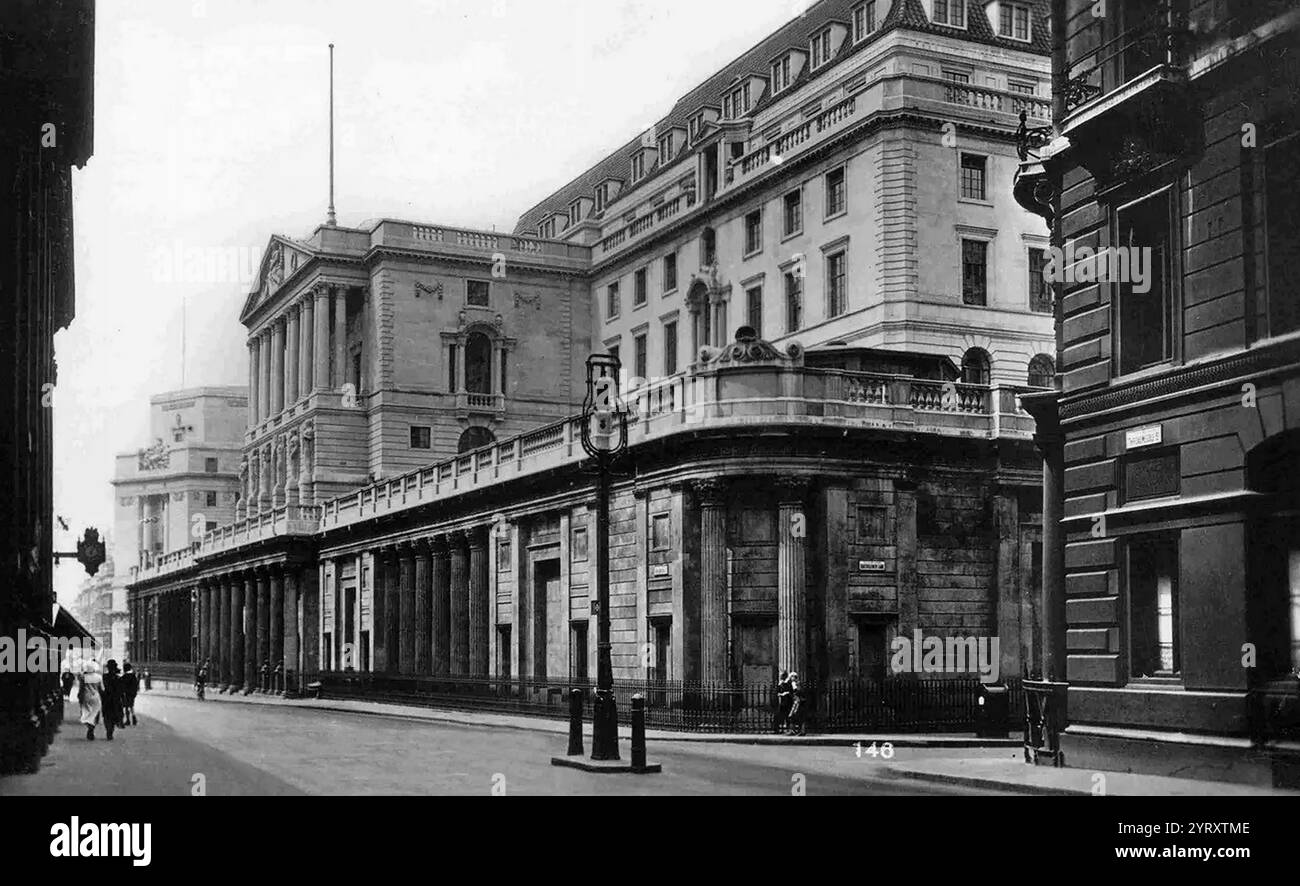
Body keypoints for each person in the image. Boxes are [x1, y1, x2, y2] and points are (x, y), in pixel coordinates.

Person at [78, 659, 103, 740]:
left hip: (86, 696)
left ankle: (89, 727)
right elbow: (102, 689)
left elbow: (81, 688)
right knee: (95, 713)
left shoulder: (83, 677)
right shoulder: (99, 677)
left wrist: (80, 696)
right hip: (96, 696)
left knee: (86, 713)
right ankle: (92, 728)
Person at [100, 660, 124, 740]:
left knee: (107, 716)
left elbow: (103, 688)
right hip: (115, 700)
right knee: (114, 716)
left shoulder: (104, 677)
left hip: (107, 699)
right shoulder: (118, 678)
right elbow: (121, 690)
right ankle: (111, 731)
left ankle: (108, 730)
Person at [786, 671, 806, 736]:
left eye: (793, 677)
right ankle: (794, 730)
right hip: (796, 701)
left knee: (794, 716)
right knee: (794, 716)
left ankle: (799, 731)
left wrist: (794, 686)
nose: (792, 678)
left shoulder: (796, 683)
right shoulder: (795, 683)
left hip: (798, 701)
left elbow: (797, 691)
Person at [774, 670, 793, 734]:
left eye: (782, 676)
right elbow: (777, 692)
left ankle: (788, 729)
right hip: (782, 703)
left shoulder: (788, 684)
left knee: (788, 717)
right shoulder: (780, 684)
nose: (781, 677)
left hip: (787, 702)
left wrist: (785, 693)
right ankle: (778, 729)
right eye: (781, 676)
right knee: (778, 716)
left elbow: (791, 692)